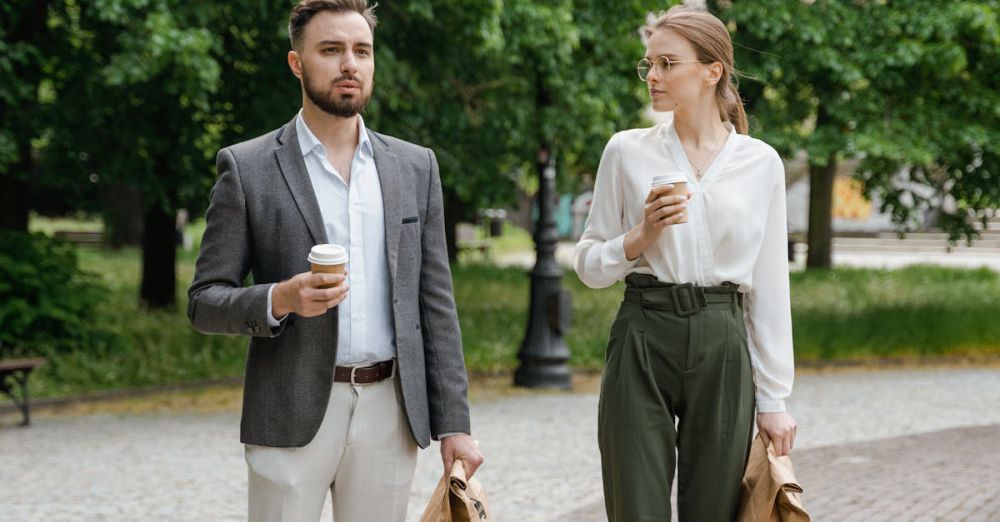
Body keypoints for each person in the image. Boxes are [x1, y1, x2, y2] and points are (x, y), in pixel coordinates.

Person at [186, 1, 482, 520]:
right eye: (331, 50)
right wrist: (280, 298)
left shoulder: (415, 167)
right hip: (289, 409)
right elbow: (204, 301)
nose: (350, 63)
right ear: (297, 63)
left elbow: (436, 305)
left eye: (361, 51)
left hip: (390, 413)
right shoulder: (248, 167)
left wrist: (455, 423)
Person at [573, 6, 797, 521]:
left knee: (716, 511)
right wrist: (640, 236)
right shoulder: (626, 151)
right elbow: (588, 264)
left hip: (723, 339)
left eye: (667, 63)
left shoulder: (760, 163)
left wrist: (774, 399)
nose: (652, 76)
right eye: (647, 64)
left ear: (711, 70)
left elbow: (768, 287)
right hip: (643, 333)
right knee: (636, 508)